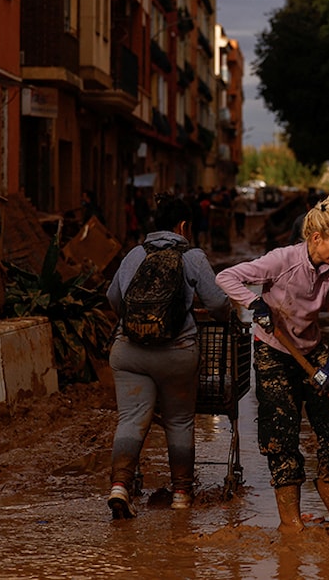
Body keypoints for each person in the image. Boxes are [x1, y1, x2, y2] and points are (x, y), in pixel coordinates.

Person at [215, 194, 329, 533]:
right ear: (316, 238)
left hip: (312, 349)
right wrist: (255, 303)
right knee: (281, 433)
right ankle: (291, 521)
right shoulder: (281, 260)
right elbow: (226, 277)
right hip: (273, 350)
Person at [104, 196, 230, 518]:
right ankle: (181, 495)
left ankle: (120, 486)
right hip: (177, 355)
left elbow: (113, 299)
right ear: (183, 226)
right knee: (179, 420)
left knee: (131, 419)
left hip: (129, 351)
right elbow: (217, 304)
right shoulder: (193, 256)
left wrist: (139, 323)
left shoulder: (133, 255)